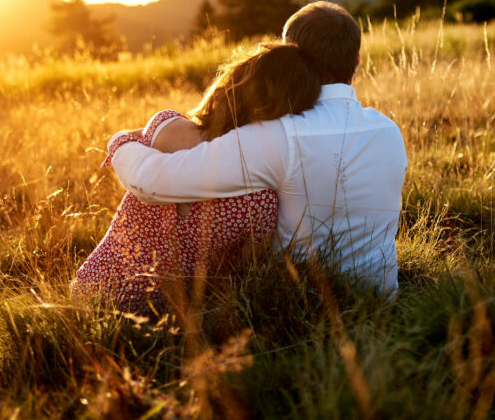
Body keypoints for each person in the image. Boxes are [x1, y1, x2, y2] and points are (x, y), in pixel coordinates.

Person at [110, 2, 408, 294]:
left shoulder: (279, 135)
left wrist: (121, 143)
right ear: (357, 60)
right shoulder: (389, 131)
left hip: (297, 308)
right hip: (380, 300)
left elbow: (151, 183)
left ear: (290, 58)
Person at [72, 42, 321, 310]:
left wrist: (120, 140)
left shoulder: (164, 125)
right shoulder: (263, 199)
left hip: (94, 293)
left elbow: (137, 143)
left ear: (234, 83)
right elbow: (245, 274)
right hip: (175, 313)